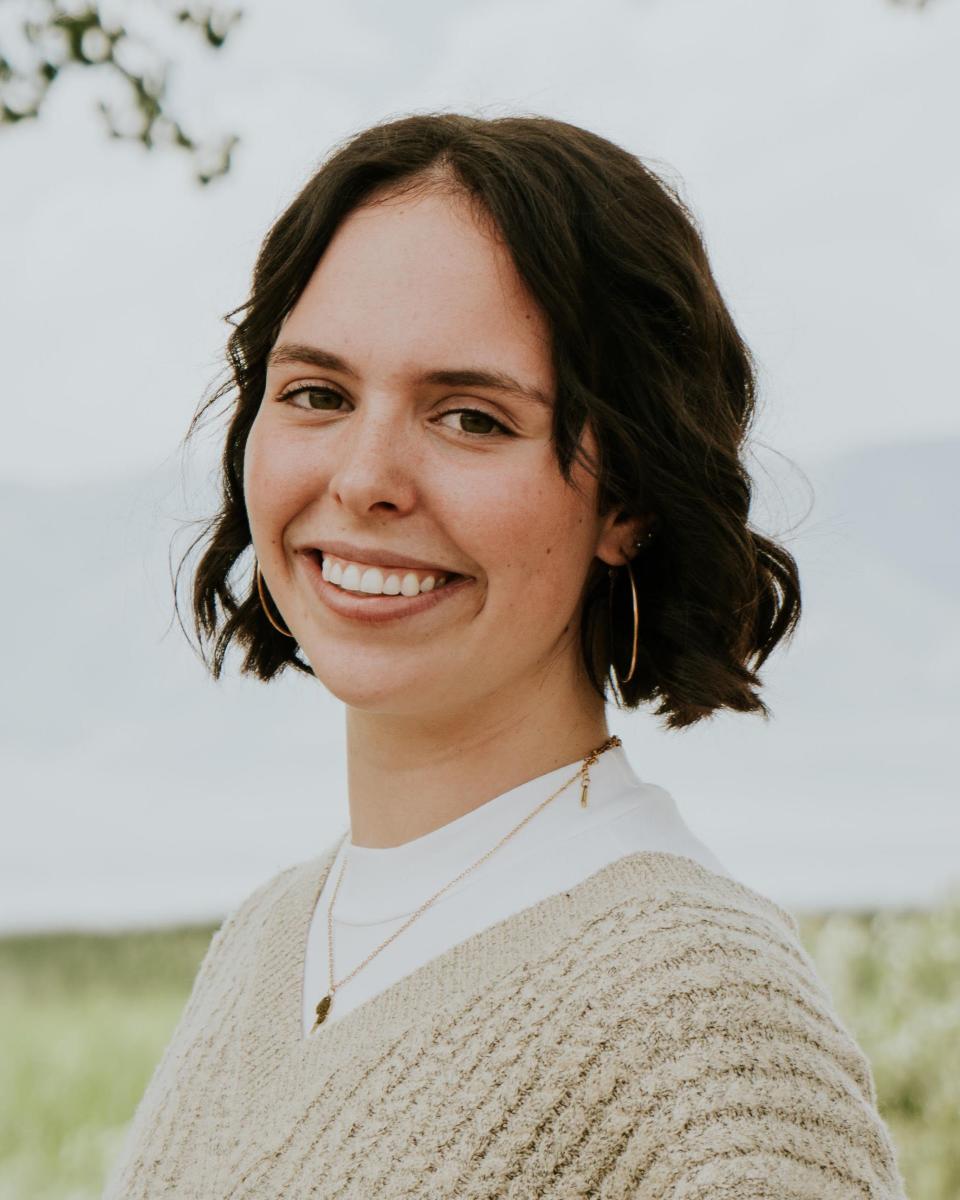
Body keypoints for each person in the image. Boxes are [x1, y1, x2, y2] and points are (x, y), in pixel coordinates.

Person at [103, 112, 908, 1198]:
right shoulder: (265, 941)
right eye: (317, 394)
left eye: (472, 418)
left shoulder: (711, 1026)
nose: (365, 477)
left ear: (625, 496)